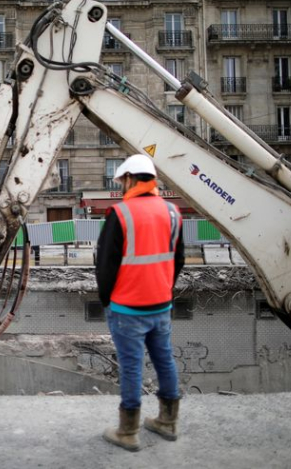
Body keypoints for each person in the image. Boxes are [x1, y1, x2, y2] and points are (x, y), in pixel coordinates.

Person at [96, 154, 185, 452]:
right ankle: (169, 422)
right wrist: (163, 288)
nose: (121, 186)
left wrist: (106, 301)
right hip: (161, 305)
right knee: (165, 360)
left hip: (127, 308)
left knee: (132, 368)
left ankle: (129, 430)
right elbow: (178, 259)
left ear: (131, 179)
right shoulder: (173, 212)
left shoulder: (120, 214)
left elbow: (106, 265)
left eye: (122, 181)